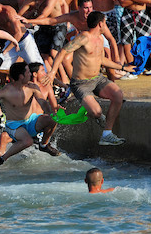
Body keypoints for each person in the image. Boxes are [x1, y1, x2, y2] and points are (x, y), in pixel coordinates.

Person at [41, 11, 135, 145]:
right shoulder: (84, 37)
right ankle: (99, 116)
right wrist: (52, 73)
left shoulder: (100, 39)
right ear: (100, 23)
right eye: (105, 22)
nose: (106, 24)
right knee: (96, 112)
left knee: (118, 95)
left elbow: (101, 59)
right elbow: (63, 51)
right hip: (80, 84)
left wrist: (123, 68)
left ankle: (107, 134)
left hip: (98, 80)